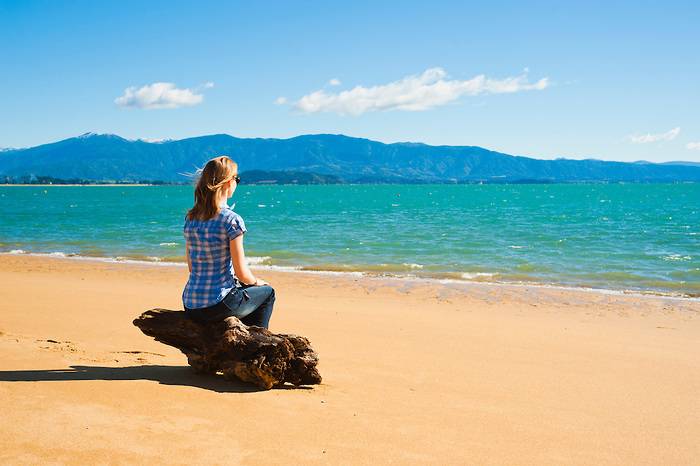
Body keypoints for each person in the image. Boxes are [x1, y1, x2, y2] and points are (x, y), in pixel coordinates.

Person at [182, 156, 275, 329]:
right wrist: (257, 282)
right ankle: (255, 343)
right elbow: (242, 274)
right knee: (267, 293)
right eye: (236, 178)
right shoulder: (231, 220)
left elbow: (192, 267)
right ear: (227, 182)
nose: (237, 182)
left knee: (240, 292)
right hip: (217, 304)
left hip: (190, 304)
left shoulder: (191, 219)